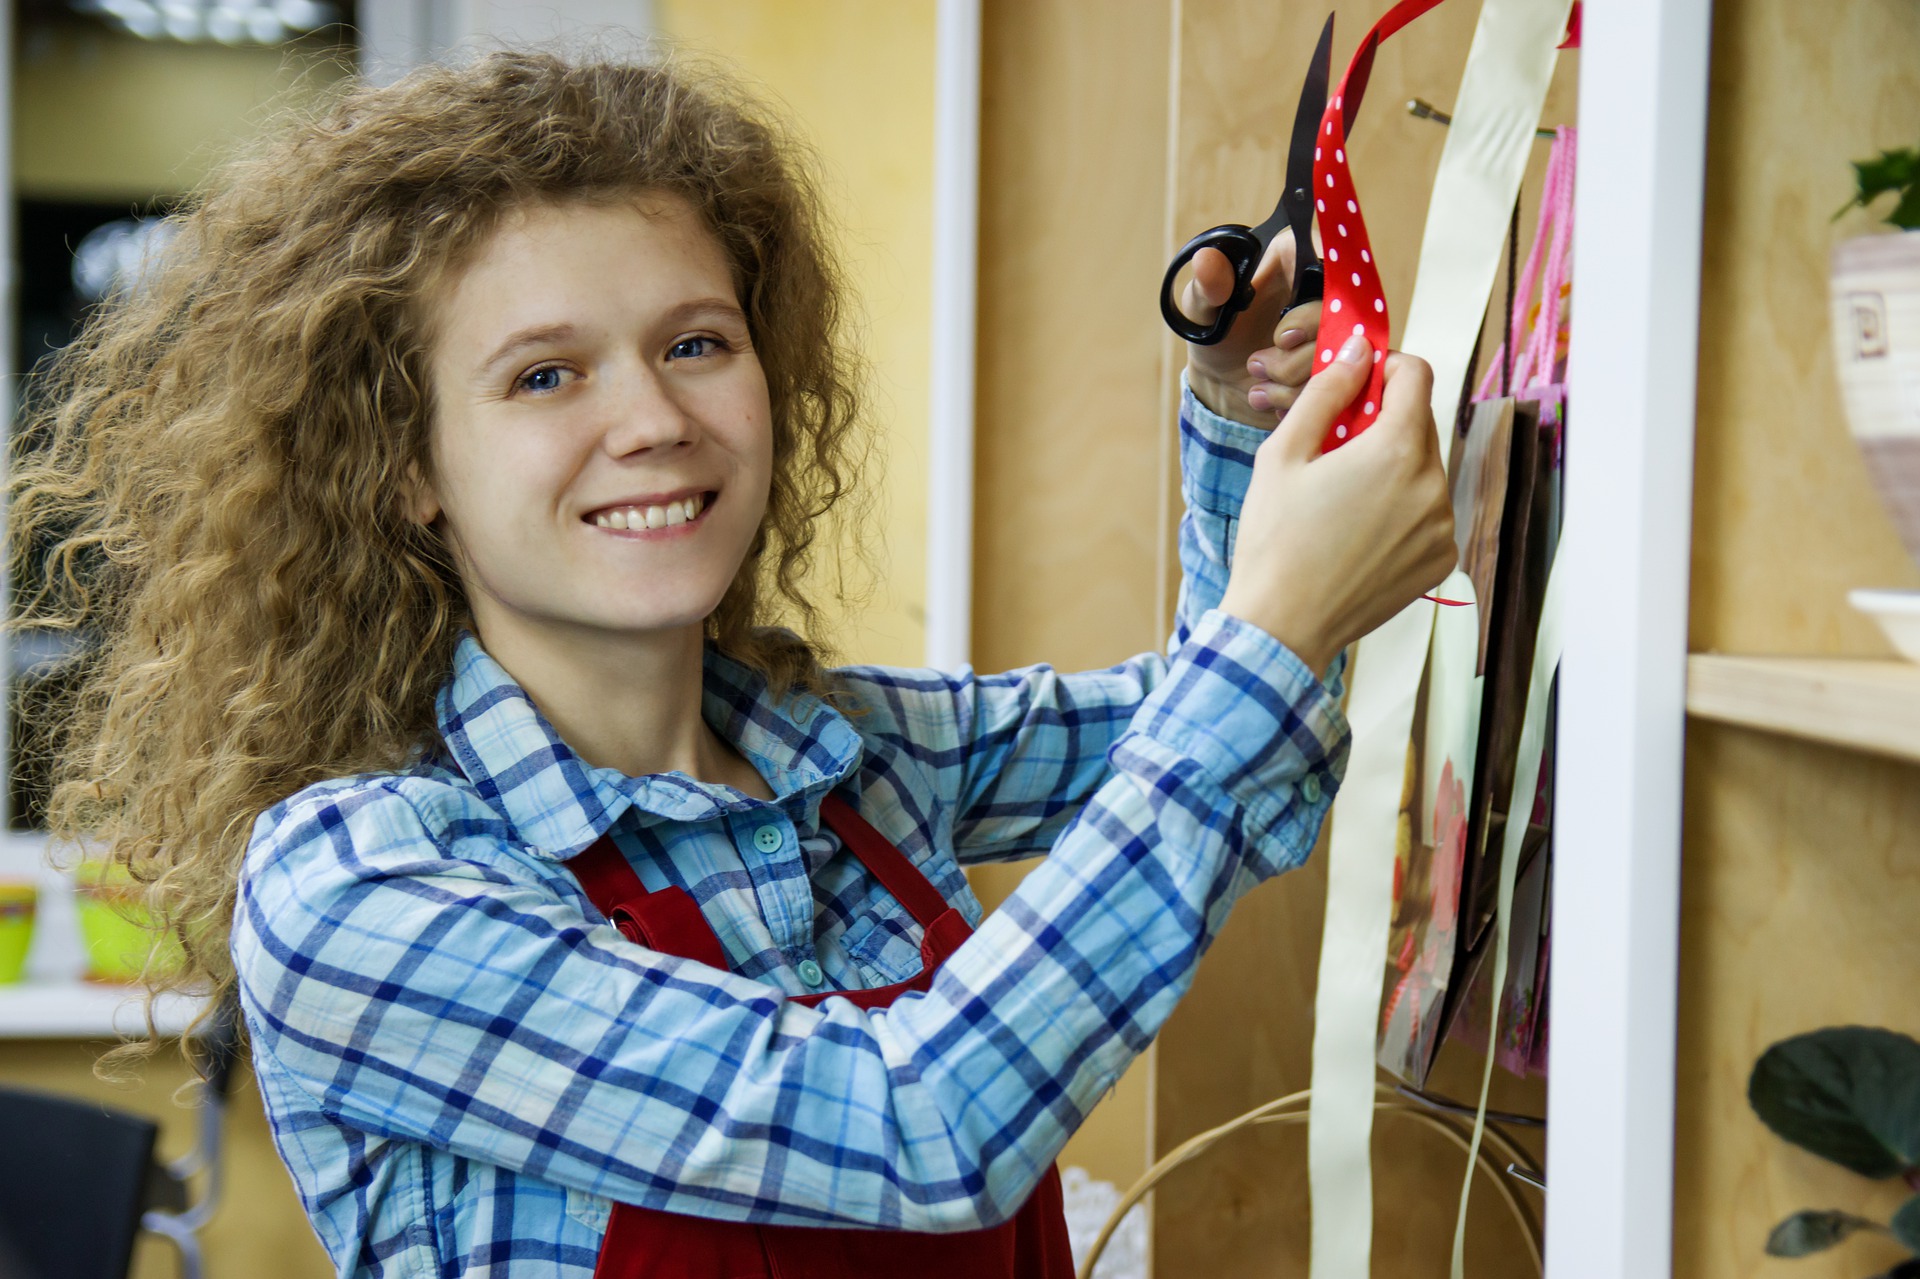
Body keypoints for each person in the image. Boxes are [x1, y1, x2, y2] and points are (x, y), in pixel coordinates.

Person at [8, 51, 1454, 1279]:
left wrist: (1233, 414)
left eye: (696, 342)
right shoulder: (362, 889)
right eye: (544, 374)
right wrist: (1275, 627)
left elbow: (1236, 739)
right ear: (406, 474)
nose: (653, 420)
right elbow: (915, 1129)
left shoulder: (851, 755)